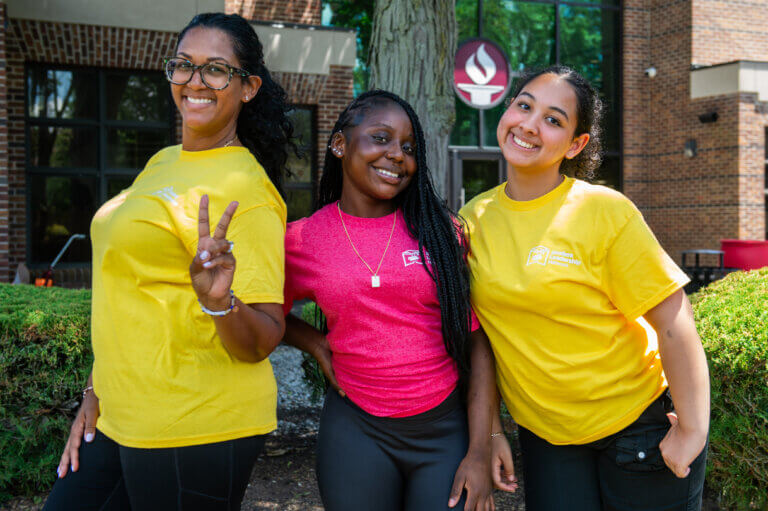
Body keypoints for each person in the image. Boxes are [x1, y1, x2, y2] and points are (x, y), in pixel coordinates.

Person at [44, 12, 294, 510]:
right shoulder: (162, 161)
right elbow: (128, 291)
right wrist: (96, 391)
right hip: (121, 416)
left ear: (247, 88)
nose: (195, 81)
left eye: (216, 69)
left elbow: (265, 335)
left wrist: (219, 302)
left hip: (196, 423)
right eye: (183, 65)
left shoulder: (249, 191)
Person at [460, 65, 710, 510]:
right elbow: (485, 339)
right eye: (524, 106)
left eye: (553, 120)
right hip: (548, 439)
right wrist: (493, 433)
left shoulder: (603, 211)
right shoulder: (473, 220)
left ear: (575, 144)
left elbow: (674, 318)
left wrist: (691, 429)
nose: (530, 125)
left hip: (637, 427)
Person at [282, 90, 501, 511]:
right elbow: (265, 311)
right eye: (381, 138)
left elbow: (477, 343)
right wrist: (314, 343)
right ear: (340, 144)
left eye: (408, 147)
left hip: (443, 430)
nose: (397, 155)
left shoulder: (440, 232)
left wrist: (480, 450)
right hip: (356, 430)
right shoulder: (304, 238)